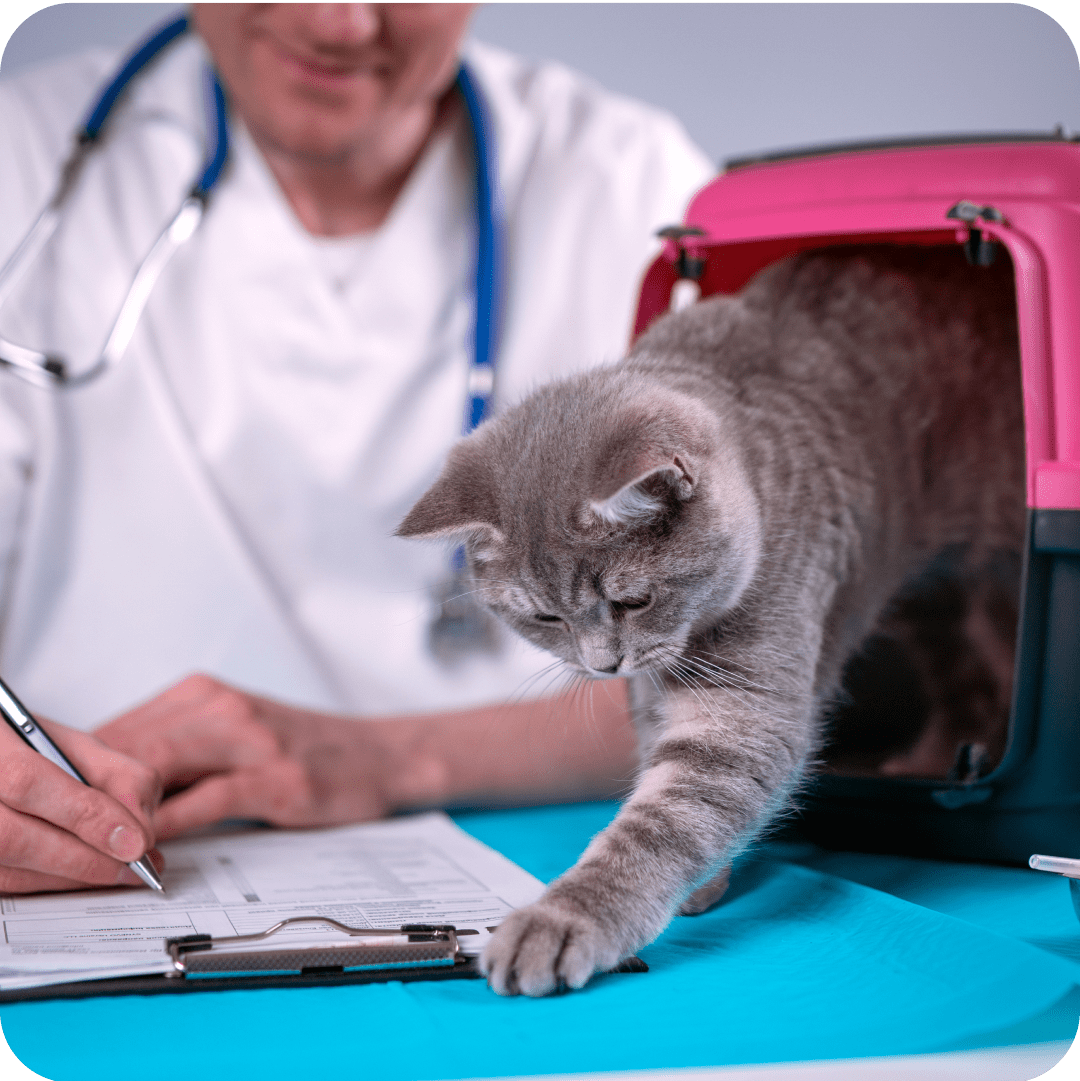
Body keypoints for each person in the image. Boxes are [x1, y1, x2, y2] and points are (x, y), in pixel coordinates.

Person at [0, 3, 713, 893]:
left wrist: (393, 757)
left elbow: (756, 660)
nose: (338, 22)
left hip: (531, 860)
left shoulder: (640, 193)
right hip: (92, 887)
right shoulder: (18, 157)